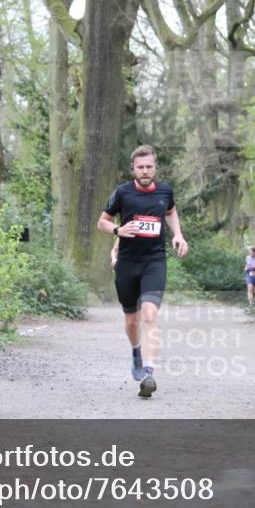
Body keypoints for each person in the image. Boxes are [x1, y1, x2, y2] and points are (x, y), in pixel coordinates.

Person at [98, 145, 188, 398]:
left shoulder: (165, 191)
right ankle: (136, 352)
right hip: (127, 262)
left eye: (149, 166)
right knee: (131, 320)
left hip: (154, 261)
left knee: (149, 314)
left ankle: (149, 371)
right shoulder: (123, 193)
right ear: (133, 169)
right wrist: (117, 230)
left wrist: (178, 235)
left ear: (154, 167)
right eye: (141, 167)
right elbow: (101, 221)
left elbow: (170, 211)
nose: (145, 171)